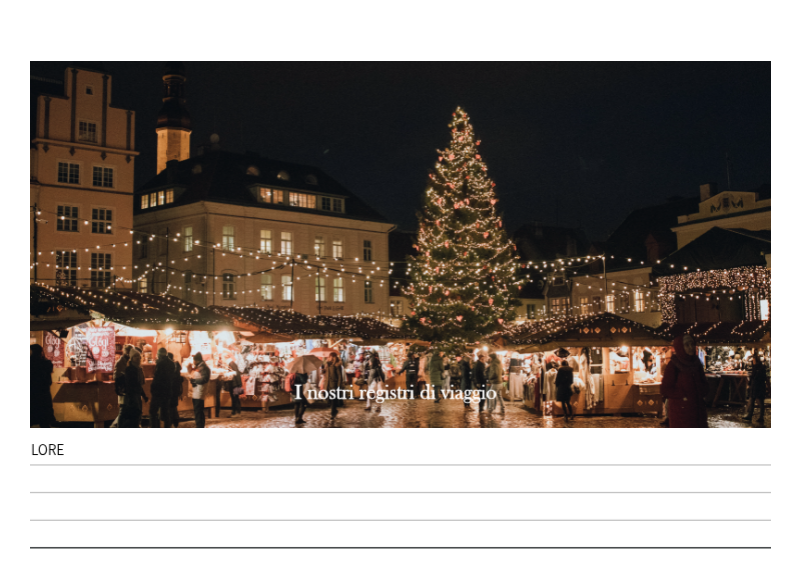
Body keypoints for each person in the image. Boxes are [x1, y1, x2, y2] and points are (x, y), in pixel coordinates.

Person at [660, 335, 709, 428]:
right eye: (687, 345)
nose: (691, 347)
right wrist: (684, 395)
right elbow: (665, 389)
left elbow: (703, 382)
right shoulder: (674, 365)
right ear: (681, 347)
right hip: (681, 411)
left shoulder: (697, 363)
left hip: (698, 410)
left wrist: (702, 391)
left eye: (692, 344)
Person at [30, 344, 57, 427]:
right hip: (44, 394)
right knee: (44, 420)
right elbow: (48, 381)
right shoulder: (46, 363)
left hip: (32, 393)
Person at [120, 351, 147, 428]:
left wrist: (143, 395)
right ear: (131, 358)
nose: (138, 358)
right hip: (132, 395)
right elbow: (133, 384)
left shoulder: (138, 369)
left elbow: (139, 384)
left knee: (137, 414)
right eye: (136, 357)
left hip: (137, 395)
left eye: (139, 357)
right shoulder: (130, 369)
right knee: (135, 414)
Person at [149, 348, 173, 428]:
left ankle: (155, 427)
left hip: (158, 391)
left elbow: (157, 378)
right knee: (165, 412)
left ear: (159, 355)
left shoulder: (160, 364)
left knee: (153, 411)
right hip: (167, 391)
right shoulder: (171, 364)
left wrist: (153, 388)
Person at [742, 355, 768, 424]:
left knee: (760, 402)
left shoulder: (761, 367)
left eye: (753, 360)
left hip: (759, 386)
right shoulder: (754, 367)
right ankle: (750, 415)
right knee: (752, 400)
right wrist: (750, 384)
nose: (752, 361)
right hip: (754, 386)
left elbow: (761, 377)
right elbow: (752, 377)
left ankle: (761, 417)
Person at [189, 353, 211, 428]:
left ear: (196, 360)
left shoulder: (203, 367)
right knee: (198, 411)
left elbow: (204, 379)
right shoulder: (200, 367)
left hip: (199, 392)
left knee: (198, 411)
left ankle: (200, 426)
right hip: (197, 392)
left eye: (194, 360)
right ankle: (200, 426)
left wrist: (194, 380)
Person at [325, 351, 344, 420]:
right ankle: (335, 410)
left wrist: (339, 385)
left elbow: (339, 376)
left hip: (334, 384)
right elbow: (326, 375)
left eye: (330, 356)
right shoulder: (328, 365)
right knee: (329, 399)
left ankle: (333, 413)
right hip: (328, 384)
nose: (329, 358)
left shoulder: (337, 365)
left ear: (333, 357)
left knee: (333, 399)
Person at [168, 352, 184, 427]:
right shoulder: (176, 364)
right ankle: (174, 421)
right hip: (176, 389)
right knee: (173, 407)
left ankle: (173, 421)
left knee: (172, 407)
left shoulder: (170, 366)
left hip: (171, 389)